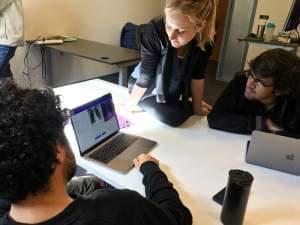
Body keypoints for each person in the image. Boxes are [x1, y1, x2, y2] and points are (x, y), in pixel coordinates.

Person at [0, 81, 192, 225]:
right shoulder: (119, 208)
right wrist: (151, 170)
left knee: (89, 182)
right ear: (56, 151)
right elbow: (178, 217)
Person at [128, 0, 217, 126]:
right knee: (172, 117)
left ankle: (183, 103)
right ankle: (180, 104)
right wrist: (130, 106)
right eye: (168, 26)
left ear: (200, 26)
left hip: (175, 85)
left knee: (181, 112)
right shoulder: (154, 30)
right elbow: (146, 75)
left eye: (180, 31)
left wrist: (197, 111)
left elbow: (197, 75)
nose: (171, 36)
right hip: (147, 86)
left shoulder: (207, 38)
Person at [207, 48, 300, 138]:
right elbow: (215, 118)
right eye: (251, 74)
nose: (250, 83)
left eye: (260, 82)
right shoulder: (241, 81)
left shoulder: (295, 99)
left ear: (279, 90)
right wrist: (262, 123)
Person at [0, 0, 24, 80]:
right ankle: (11, 92)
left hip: (6, 40)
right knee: (5, 76)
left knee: (5, 76)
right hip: (3, 39)